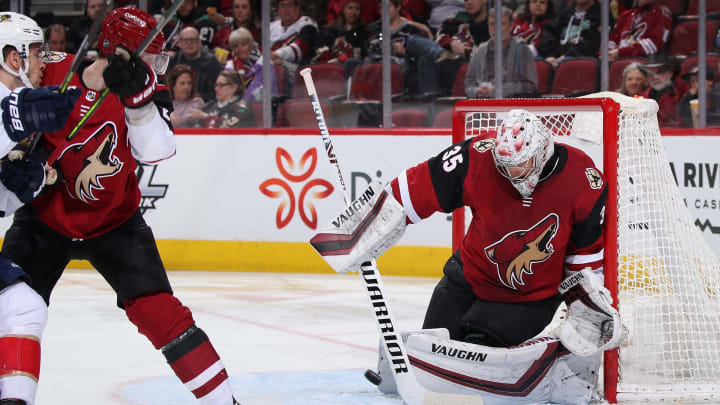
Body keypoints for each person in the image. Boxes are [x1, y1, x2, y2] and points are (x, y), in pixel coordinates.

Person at [0, 8, 240, 405]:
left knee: (161, 314)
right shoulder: (47, 70)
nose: (157, 67)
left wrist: (139, 103)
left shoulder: (149, 89)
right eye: (152, 56)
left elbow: (158, 151)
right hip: (44, 219)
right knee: (14, 310)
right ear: (120, 52)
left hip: (115, 223)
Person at [312, 108, 621, 404]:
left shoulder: (584, 180)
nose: (511, 174)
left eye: (520, 166)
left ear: (541, 153)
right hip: (467, 277)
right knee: (430, 349)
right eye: (505, 166)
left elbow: (585, 258)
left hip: (526, 300)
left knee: (472, 359)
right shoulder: (477, 156)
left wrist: (585, 308)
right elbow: (412, 190)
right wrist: (362, 227)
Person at [0, 12, 81, 405]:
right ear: (12, 57)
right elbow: (7, 115)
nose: (42, 60)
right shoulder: (11, 107)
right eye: (35, 51)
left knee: (25, 306)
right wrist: (21, 114)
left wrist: (28, 184)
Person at [465, 6, 538, 98]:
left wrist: (499, 91)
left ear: (511, 26)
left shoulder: (522, 49)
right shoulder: (480, 50)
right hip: (483, 105)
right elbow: (469, 83)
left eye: (502, 24)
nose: (496, 29)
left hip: (511, 106)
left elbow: (530, 85)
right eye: (492, 24)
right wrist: (476, 91)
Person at [537, 0, 606, 68]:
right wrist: (550, 56)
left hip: (582, 60)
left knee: (566, 63)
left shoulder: (602, 15)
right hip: (556, 58)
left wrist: (564, 57)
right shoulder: (564, 13)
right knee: (539, 63)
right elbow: (548, 34)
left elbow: (592, 43)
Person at [313, 0, 369, 78]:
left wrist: (340, 60)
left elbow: (361, 53)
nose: (353, 12)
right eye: (350, 8)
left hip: (351, 74)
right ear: (343, 9)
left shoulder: (363, 32)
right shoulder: (330, 30)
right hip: (327, 71)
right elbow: (319, 50)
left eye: (357, 9)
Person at [168, 26, 224, 102]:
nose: (189, 43)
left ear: (199, 42)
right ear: (179, 43)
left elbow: (215, 94)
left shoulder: (212, 62)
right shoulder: (175, 59)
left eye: (192, 39)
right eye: (185, 40)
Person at [270, 0, 318, 85]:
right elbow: (259, 49)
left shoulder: (307, 24)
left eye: (289, 5)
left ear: (297, 8)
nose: (286, 9)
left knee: (277, 66)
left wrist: (277, 55)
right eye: (282, 6)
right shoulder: (271, 27)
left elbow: (301, 47)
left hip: (300, 71)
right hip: (271, 66)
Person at [607, 0, 672, 62]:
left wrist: (620, 52)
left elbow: (654, 44)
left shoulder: (661, 14)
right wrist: (608, 52)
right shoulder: (625, 15)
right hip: (617, 60)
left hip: (645, 63)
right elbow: (612, 40)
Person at [224, 28, 277, 103]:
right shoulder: (231, 65)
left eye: (243, 44)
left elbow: (261, 91)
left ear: (250, 45)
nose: (239, 48)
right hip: (236, 107)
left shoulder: (265, 63)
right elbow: (225, 89)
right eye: (235, 46)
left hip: (262, 107)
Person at [642, 60, 680, 127]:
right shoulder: (642, 99)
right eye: (650, 74)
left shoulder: (681, 94)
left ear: (670, 72)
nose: (655, 77)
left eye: (659, 72)